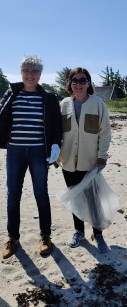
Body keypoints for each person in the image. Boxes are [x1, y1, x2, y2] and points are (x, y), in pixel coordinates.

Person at [0, 55, 62, 259]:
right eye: (26, 71)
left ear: (40, 74)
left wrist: (56, 144)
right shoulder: (12, 93)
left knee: (41, 193)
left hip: (39, 152)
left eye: (34, 71)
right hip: (15, 152)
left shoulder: (48, 97)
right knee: (13, 196)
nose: (30, 75)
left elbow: (56, 125)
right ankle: (13, 238)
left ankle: (45, 236)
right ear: (21, 73)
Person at [58, 67, 111, 253]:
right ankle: (78, 231)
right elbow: (57, 133)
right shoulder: (64, 104)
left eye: (82, 80)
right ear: (70, 84)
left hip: (90, 162)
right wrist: (55, 154)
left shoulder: (97, 103)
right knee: (75, 198)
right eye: (75, 81)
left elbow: (105, 133)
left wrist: (102, 157)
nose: (78, 84)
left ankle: (98, 235)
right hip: (68, 162)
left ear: (88, 83)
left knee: (93, 199)